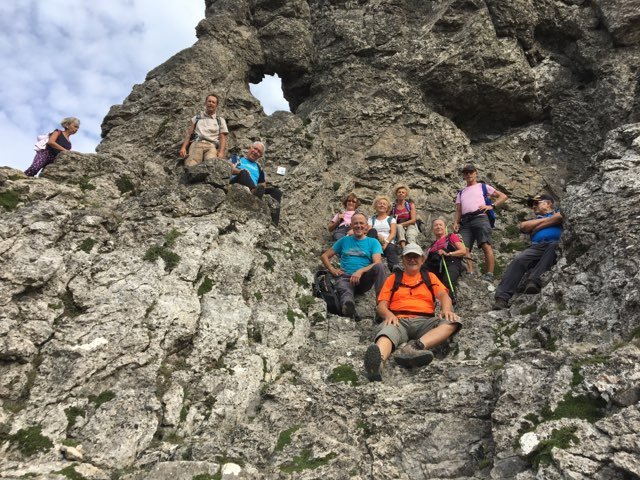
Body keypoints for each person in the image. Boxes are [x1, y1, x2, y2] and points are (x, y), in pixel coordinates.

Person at [364, 243, 461, 382]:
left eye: (415, 257)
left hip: (425, 321)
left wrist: (446, 310)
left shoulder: (430, 277)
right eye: (408, 257)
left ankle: (415, 347)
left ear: (422, 260)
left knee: (453, 321)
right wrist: (388, 315)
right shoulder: (393, 279)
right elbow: (381, 305)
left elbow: (444, 296)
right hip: (398, 320)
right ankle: (376, 365)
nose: (412, 260)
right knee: (386, 333)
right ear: (403, 260)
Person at [493, 194, 564, 310]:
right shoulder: (536, 219)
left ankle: (534, 281)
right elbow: (523, 226)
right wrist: (550, 220)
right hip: (536, 246)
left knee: (554, 247)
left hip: (555, 243)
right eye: (532, 205)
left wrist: (537, 227)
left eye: (536, 203)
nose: (533, 206)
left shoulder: (559, 211)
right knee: (519, 260)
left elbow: (560, 217)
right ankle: (502, 298)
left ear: (548, 203)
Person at [320, 212, 387, 318]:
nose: (358, 226)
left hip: (363, 278)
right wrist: (332, 270)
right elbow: (324, 256)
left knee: (380, 267)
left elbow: (377, 263)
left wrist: (360, 271)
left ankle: (381, 307)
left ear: (366, 226)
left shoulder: (373, 242)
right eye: (355, 223)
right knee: (344, 287)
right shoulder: (344, 240)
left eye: (361, 223)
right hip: (345, 276)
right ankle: (348, 306)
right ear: (351, 225)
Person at [452, 163, 508, 281]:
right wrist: (456, 222)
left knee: (485, 245)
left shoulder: (483, 186)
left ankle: (489, 274)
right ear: (464, 176)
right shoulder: (461, 193)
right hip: (465, 221)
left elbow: (503, 196)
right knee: (464, 248)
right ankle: (470, 272)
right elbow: (458, 210)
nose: (468, 174)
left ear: (476, 173)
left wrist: (492, 206)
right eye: (466, 173)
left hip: (480, 217)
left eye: (470, 172)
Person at [230, 141, 283, 224]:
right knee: (244, 172)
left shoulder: (258, 167)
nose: (255, 152)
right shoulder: (237, 158)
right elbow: (230, 169)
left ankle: (274, 222)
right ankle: (253, 191)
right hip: (237, 181)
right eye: (255, 149)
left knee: (277, 192)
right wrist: (240, 171)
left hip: (254, 187)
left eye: (259, 152)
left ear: (260, 156)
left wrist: (262, 188)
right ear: (250, 148)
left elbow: (263, 184)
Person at [180, 93, 228, 167]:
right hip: (196, 143)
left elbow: (222, 138)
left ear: (216, 105)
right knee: (191, 165)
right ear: (205, 103)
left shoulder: (220, 120)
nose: (211, 103)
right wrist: (183, 148)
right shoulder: (197, 118)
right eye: (209, 101)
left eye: (213, 102)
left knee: (212, 166)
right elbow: (189, 134)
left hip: (211, 146)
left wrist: (221, 152)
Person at [424, 218, 466, 301]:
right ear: (433, 229)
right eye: (436, 225)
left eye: (440, 225)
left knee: (447, 281)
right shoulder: (431, 246)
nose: (438, 227)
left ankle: (450, 301)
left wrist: (449, 253)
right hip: (435, 266)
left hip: (451, 262)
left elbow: (463, 251)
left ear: (445, 227)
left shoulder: (451, 237)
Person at [367, 196, 400, 271]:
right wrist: (378, 237)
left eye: (384, 204)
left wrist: (386, 242)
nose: (382, 205)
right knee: (372, 231)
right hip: (375, 241)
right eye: (380, 203)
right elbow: (369, 231)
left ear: (387, 207)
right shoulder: (371, 219)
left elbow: (393, 233)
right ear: (376, 206)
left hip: (387, 242)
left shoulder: (391, 219)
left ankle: (395, 268)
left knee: (391, 248)